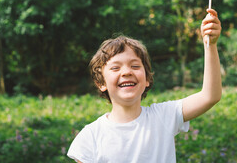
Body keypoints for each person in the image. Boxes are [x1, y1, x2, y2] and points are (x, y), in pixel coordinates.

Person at [68, 9, 222, 163]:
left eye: (135, 66)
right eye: (115, 68)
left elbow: (210, 96)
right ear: (101, 83)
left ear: (147, 78)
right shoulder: (90, 137)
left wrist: (210, 45)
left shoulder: (163, 116)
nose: (127, 72)